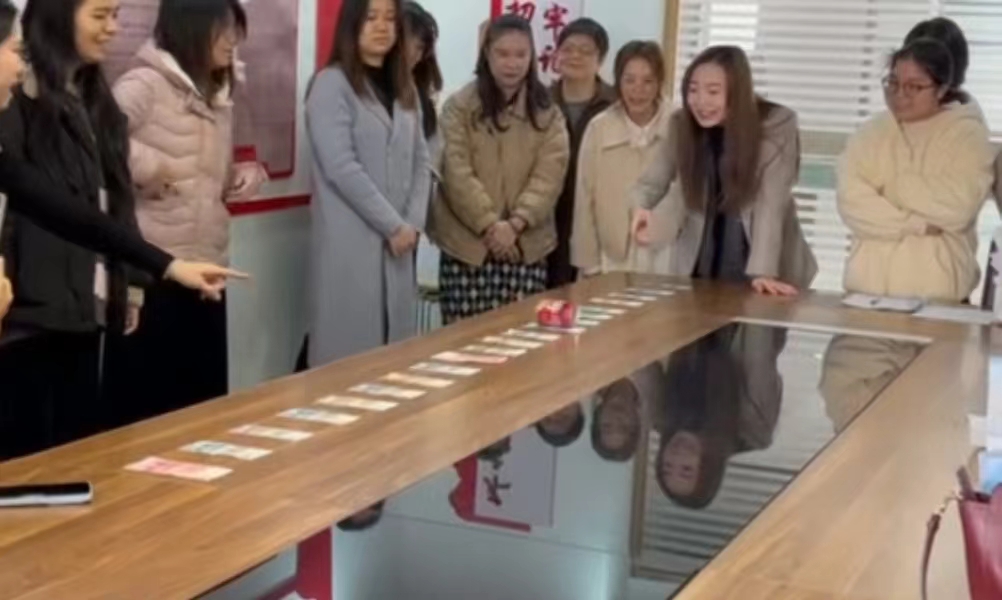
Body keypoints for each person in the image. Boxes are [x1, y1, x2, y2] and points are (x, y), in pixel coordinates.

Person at [104, 0, 261, 425]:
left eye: (236, 30)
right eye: (223, 30)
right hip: (155, 268)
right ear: (192, 28)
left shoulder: (217, 92)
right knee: (149, 411)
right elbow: (100, 141)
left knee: (202, 411)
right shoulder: (145, 83)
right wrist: (151, 168)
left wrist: (241, 176)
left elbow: (206, 170)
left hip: (207, 267)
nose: (233, 41)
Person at [631, 46, 817, 295]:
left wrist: (763, 272)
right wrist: (642, 207)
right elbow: (652, 182)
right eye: (693, 90)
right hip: (701, 252)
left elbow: (771, 202)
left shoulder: (776, 122)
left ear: (737, 92)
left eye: (713, 91)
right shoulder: (681, 124)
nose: (701, 102)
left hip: (762, 252)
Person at [305, 0, 430, 367]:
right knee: (347, 358)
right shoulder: (331, 84)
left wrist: (413, 224)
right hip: (352, 242)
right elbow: (341, 166)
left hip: (401, 243)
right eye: (371, 18)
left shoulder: (404, 87)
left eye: (390, 19)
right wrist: (392, 224)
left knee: (395, 363)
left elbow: (422, 161)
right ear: (351, 25)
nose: (382, 26)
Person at [429, 15, 569, 323]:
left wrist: (515, 225)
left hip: (525, 247)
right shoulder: (458, 107)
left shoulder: (548, 113)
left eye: (521, 54)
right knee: (464, 342)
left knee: (521, 338)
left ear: (532, 57)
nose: (512, 63)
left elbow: (549, 176)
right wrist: (491, 226)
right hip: (468, 247)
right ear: (486, 55)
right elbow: (455, 172)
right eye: (502, 54)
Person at [837, 39, 993, 302]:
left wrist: (894, 188)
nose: (900, 95)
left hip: (937, 297)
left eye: (914, 87)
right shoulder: (870, 133)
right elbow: (852, 205)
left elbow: (958, 207)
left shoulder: (967, 135)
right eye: (893, 83)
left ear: (941, 89)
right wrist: (915, 224)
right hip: (865, 292)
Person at [572, 40, 673, 276]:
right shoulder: (599, 128)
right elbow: (584, 199)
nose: (638, 90)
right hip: (611, 257)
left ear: (660, 83)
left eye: (648, 81)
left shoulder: (678, 125)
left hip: (666, 257)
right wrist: (588, 265)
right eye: (629, 80)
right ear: (618, 81)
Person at [656, 323, 785, 508]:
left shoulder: (664, 417)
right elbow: (759, 331)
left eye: (667, 465)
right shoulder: (753, 431)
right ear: (709, 468)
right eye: (687, 469)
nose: (677, 455)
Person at [547, 18, 615, 288]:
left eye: (585, 50)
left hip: (597, 221)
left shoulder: (615, 104)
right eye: (568, 48)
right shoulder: (540, 101)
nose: (575, 56)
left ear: (601, 59)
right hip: (548, 220)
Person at [403, 1, 442, 150]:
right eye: (404, 42)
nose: (411, 54)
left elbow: (432, 156)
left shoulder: (425, 107)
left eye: (419, 47)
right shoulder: (358, 89)